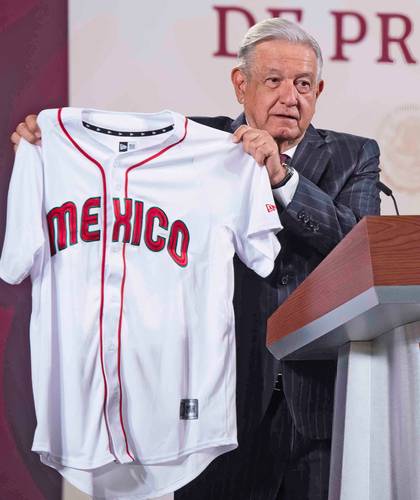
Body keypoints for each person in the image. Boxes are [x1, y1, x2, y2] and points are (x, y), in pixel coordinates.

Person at [10, 18, 380, 500]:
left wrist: (281, 179)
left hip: (316, 403)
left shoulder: (355, 155)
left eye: (304, 83)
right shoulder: (191, 145)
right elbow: (107, 145)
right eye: (273, 80)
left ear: (320, 90)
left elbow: (361, 250)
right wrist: (48, 141)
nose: (290, 96)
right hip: (209, 402)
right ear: (240, 85)